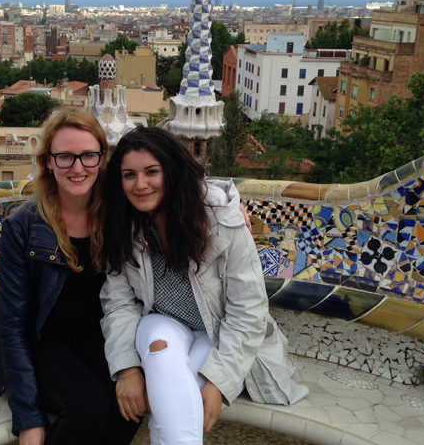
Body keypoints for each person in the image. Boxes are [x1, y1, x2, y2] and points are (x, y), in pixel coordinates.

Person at [101, 126, 308, 444]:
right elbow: (118, 302)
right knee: (162, 357)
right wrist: (127, 369)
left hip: (218, 333)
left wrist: (218, 381)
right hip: (160, 327)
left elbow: (248, 308)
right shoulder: (122, 223)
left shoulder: (220, 218)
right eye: (129, 175)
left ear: (171, 170)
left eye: (151, 172)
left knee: (172, 403)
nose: (140, 185)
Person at [0, 110, 139, 445]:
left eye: (88, 156)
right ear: (48, 162)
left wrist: (227, 207)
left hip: (98, 339)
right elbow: (13, 325)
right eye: (66, 157)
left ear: (101, 160)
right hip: (42, 342)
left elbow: (169, 183)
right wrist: (29, 419)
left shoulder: (117, 215)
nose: (78, 167)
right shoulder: (23, 226)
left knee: (130, 405)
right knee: (86, 410)